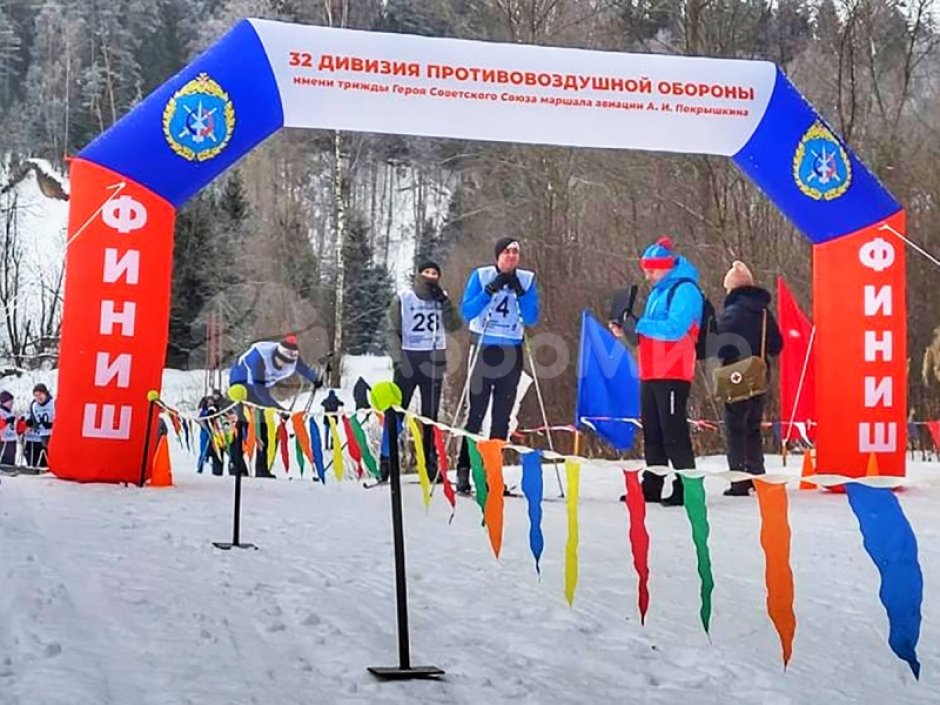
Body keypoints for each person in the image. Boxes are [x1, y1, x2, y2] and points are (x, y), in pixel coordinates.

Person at [611, 237, 702, 507]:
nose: (647, 276)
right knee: (653, 431)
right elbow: (650, 331)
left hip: (674, 370)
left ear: (666, 267)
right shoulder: (658, 291)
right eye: (645, 270)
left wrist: (638, 325)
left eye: (651, 270)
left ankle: (686, 487)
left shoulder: (685, 290)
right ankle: (652, 484)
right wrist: (627, 330)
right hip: (651, 370)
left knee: (673, 432)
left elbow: (675, 328)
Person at [456, 237, 540, 495]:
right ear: (497, 256)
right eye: (506, 252)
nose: (511, 256)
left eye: (515, 252)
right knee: (476, 414)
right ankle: (464, 471)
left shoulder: (526, 279)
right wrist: (489, 290)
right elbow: (466, 312)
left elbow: (533, 316)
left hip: (511, 351)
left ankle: (494, 475)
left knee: (502, 417)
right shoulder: (481, 276)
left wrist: (522, 293)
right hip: (484, 348)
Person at [381, 260, 462, 483]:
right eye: (426, 272)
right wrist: (398, 360)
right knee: (396, 412)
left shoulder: (441, 298)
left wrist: (445, 302)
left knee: (430, 416)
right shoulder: (404, 298)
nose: (430, 276)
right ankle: (386, 460)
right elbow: (391, 330)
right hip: (408, 358)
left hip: (433, 360)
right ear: (418, 275)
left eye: (434, 272)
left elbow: (455, 325)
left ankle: (430, 463)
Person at [715, 261, 783, 496]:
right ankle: (757, 473)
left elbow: (719, 345)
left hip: (736, 373)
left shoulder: (732, 312)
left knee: (735, 427)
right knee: (753, 426)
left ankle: (739, 480)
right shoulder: (765, 313)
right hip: (760, 372)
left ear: (732, 288)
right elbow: (777, 344)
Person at [228, 334, 322, 478]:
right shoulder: (258, 357)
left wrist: (314, 379)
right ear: (275, 355)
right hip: (242, 384)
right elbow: (258, 391)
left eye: (287, 363)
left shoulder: (291, 357)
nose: (283, 365)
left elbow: (303, 369)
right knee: (245, 425)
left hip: (261, 386)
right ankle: (236, 464)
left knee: (263, 428)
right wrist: (279, 409)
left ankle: (261, 468)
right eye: (281, 361)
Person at [24, 383, 54, 468]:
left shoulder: (53, 403)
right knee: (44, 452)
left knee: (52, 452)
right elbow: (33, 418)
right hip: (43, 434)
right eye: (36, 395)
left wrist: (52, 424)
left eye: (40, 394)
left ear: (45, 393)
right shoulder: (34, 405)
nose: (38, 398)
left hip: (53, 433)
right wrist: (30, 422)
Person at [198, 389, 226, 476]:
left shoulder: (218, 408)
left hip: (217, 433)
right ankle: (200, 468)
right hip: (206, 433)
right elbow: (201, 419)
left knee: (217, 452)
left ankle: (217, 471)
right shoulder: (204, 409)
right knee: (204, 451)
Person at [0, 390, 18, 466]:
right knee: (4, 458)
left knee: (10, 459)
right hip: (3, 440)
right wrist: (7, 421)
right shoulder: (1, 411)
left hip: (12, 439)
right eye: (10, 401)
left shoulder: (11, 412)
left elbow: (15, 427)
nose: (11, 403)